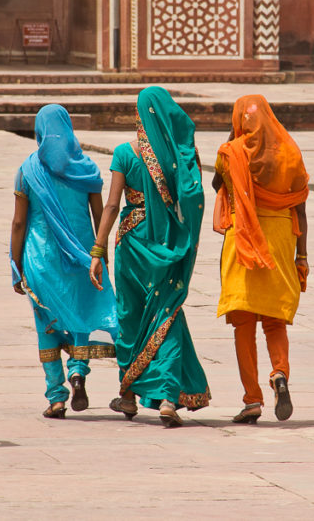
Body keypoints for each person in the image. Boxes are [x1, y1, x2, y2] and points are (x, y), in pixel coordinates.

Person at [88, 86, 211, 427]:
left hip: (132, 245)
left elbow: (112, 205)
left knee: (130, 316)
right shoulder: (182, 155)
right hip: (169, 244)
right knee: (167, 315)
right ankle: (169, 399)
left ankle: (128, 395)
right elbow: (193, 197)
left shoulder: (124, 154)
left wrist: (97, 250)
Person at [9, 104, 118, 419]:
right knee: (81, 313)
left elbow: (18, 223)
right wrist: (101, 258)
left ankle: (56, 396)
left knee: (47, 322)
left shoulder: (28, 170)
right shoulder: (86, 168)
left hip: (40, 260)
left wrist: (14, 265)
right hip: (84, 256)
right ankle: (78, 372)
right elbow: (100, 219)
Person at [211, 95, 309, 424]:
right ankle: (279, 374)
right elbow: (300, 206)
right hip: (280, 238)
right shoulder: (290, 153)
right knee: (274, 319)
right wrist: (302, 255)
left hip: (243, 240)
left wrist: (233, 136)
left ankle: (252, 399)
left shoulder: (231, 154)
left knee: (243, 324)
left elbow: (217, 185)